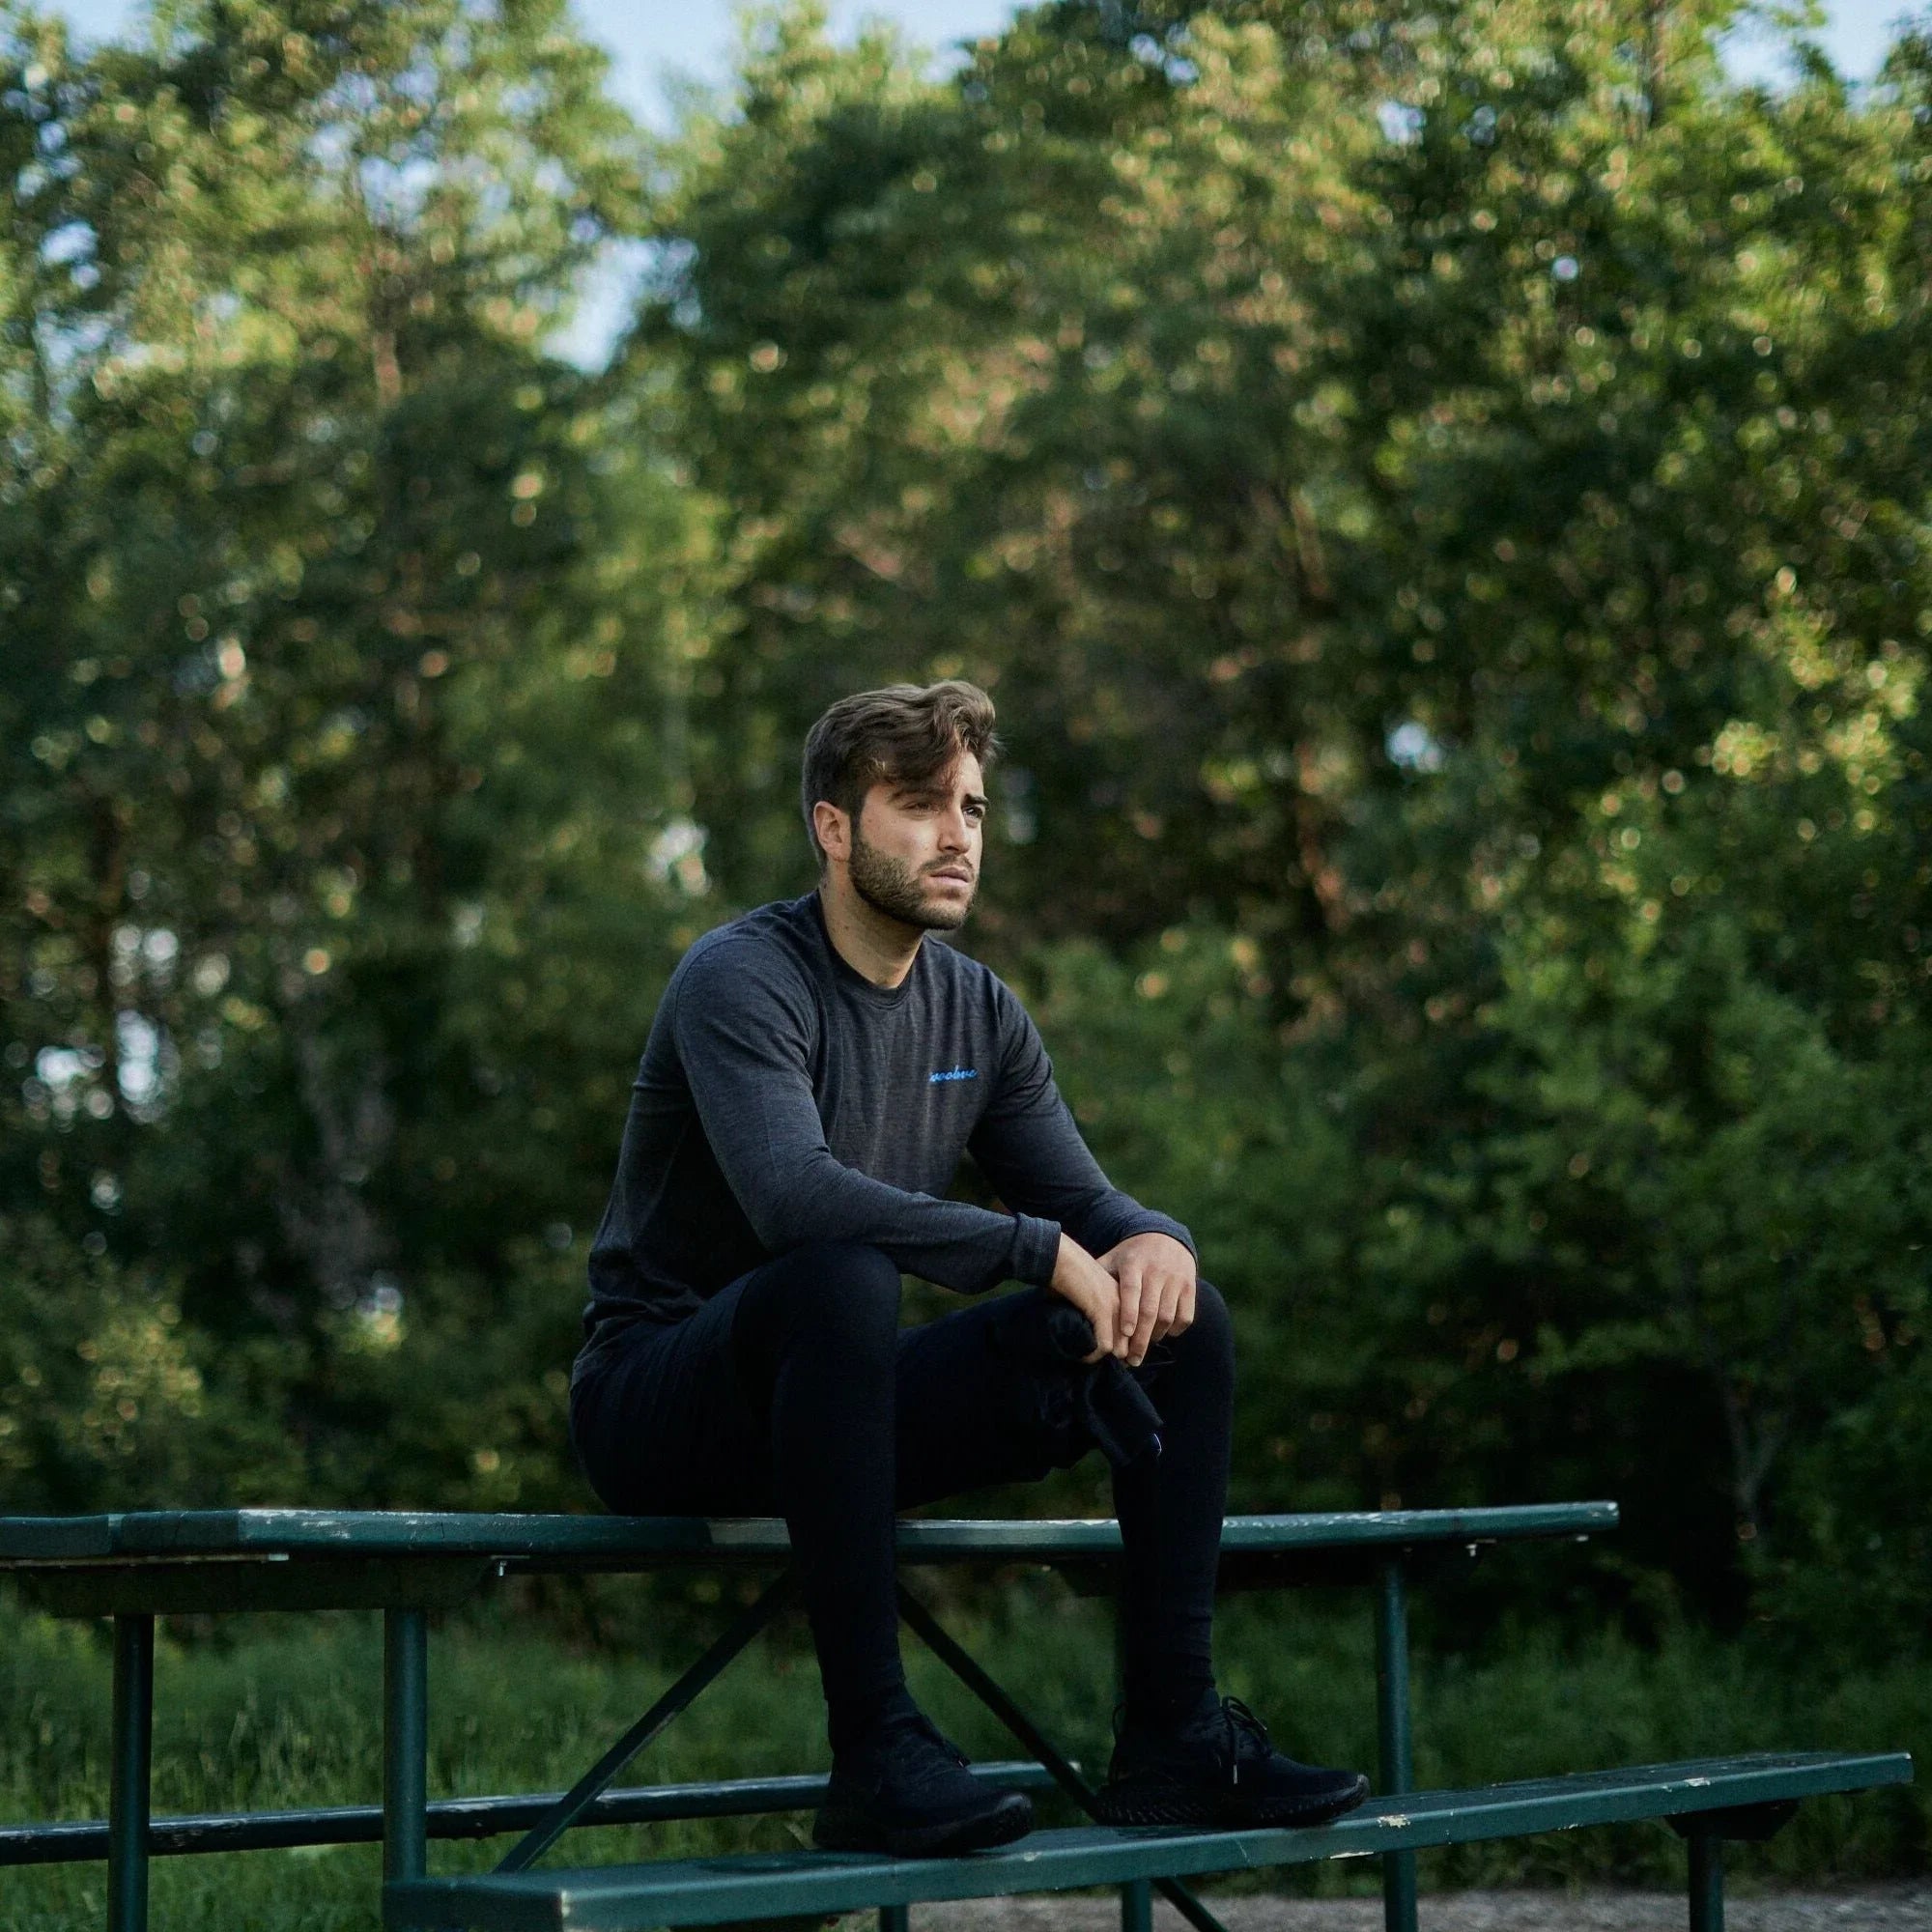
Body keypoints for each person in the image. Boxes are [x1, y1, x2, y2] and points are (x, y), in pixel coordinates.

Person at [570, 680, 1368, 1858]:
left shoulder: (977, 1009)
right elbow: (793, 1195)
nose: (957, 835)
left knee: (1183, 1317)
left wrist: (1155, 1239)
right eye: (919, 804)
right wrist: (1032, 1250)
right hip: (661, 1399)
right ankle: (877, 1753)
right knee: (839, 1273)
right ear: (833, 828)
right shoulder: (740, 977)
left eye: (975, 809)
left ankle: (1175, 1740)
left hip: (837, 1408)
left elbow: (1087, 1203)